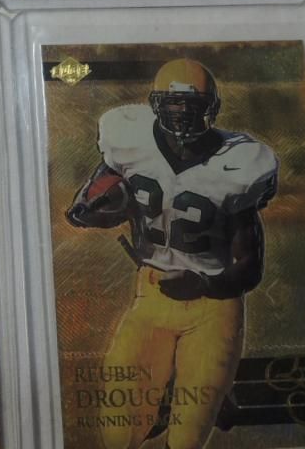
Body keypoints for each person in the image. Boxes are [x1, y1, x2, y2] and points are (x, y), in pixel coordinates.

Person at [66, 59, 278, 449]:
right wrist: (90, 209)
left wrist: (204, 284)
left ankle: (199, 391)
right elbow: (95, 200)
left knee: (184, 442)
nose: (182, 113)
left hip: (213, 308)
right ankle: (176, 394)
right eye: (173, 103)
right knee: (118, 435)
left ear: (211, 108)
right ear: (156, 105)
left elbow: (250, 266)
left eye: (192, 105)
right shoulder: (129, 140)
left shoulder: (239, 163)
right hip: (151, 294)